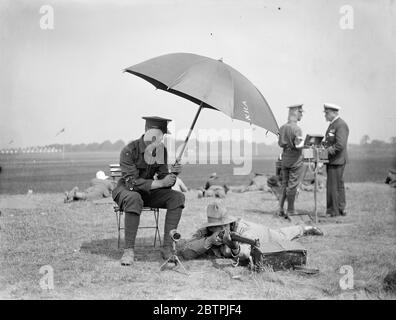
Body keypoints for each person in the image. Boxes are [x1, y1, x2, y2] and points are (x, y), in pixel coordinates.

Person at [112, 116, 185, 266]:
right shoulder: (129, 150)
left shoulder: (160, 150)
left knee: (177, 198)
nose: (160, 139)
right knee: (134, 197)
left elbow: (165, 183)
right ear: (147, 132)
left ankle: (167, 248)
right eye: (157, 135)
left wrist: (173, 174)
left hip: (147, 193)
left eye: (162, 136)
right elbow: (132, 184)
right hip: (126, 191)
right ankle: (128, 251)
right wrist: (160, 182)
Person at [178, 201, 323, 266]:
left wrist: (234, 247)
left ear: (229, 223)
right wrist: (209, 241)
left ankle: (304, 228)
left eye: (223, 225)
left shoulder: (244, 230)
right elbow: (185, 251)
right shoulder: (206, 232)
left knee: (284, 235)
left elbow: (246, 254)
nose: (221, 229)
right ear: (210, 227)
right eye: (216, 226)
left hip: (265, 236)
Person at [277, 104, 305, 218]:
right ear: (296, 113)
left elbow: (280, 143)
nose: (301, 115)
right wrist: (306, 145)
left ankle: (280, 208)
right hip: (295, 160)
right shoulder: (297, 128)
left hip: (285, 158)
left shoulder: (283, 127)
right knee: (292, 185)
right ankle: (291, 210)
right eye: (300, 112)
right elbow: (298, 145)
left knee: (284, 184)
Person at [322, 103, 349, 217]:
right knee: (338, 185)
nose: (325, 115)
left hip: (336, 160)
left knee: (333, 186)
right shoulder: (333, 124)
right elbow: (329, 142)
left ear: (334, 112)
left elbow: (340, 145)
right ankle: (340, 208)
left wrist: (326, 152)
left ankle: (333, 211)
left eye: (327, 113)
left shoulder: (340, 124)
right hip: (334, 160)